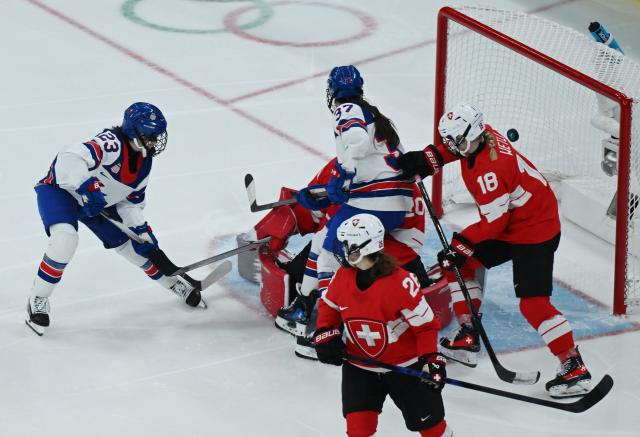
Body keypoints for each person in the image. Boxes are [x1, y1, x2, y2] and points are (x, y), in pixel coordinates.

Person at [398, 103, 593, 398]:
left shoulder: (490, 170)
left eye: (458, 141)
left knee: (533, 303)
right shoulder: (481, 137)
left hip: (534, 230)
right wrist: (430, 159)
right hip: (516, 220)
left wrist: (461, 244)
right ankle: (467, 335)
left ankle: (573, 365)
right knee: (458, 265)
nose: (455, 147)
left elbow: (495, 221)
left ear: (474, 132)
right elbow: (459, 148)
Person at [27, 102, 201, 336]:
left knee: (136, 248)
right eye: (150, 135)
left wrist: (142, 232)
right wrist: (86, 186)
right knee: (65, 240)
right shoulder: (111, 143)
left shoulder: (144, 162)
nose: (154, 141)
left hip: (98, 205)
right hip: (61, 192)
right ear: (133, 131)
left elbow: (130, 203)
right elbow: (68, 156)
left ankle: (173, 283)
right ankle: (38, 299)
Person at [313, 214, 452, 437]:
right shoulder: (342, 277)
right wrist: (326, 333)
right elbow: (329, 306)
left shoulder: (401, 283)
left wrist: (432, 360)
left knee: (433, 430)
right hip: (360, 367)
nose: (341, 249)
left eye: (347, 244)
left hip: (405, 367)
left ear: (365, 247)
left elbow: (426, 327)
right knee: (358, 431)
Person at [299, 65, 414, 304]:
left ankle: (325, 322)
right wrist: (329, 193)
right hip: (394, 203)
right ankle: (304, 304)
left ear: (332, 91)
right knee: (322, 241)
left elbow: (357, 141)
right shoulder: (375, 115)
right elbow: (372, 171)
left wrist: (346, 170)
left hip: (375, 204)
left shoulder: (348, 109)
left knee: (328, 260)